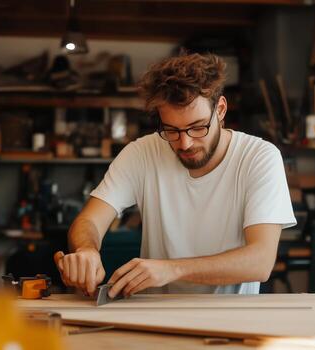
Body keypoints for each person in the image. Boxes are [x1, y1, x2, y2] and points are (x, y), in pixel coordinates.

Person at [54, 52, 295, 299]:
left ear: (220, 110)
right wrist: (86, 250)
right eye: (171, 130)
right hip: (157, 319)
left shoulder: (259, 157)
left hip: (232, 320)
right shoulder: (142, 153)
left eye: (198, 127)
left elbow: (261, 261)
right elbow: (88, 221)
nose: (185, 143)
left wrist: (172, 269)